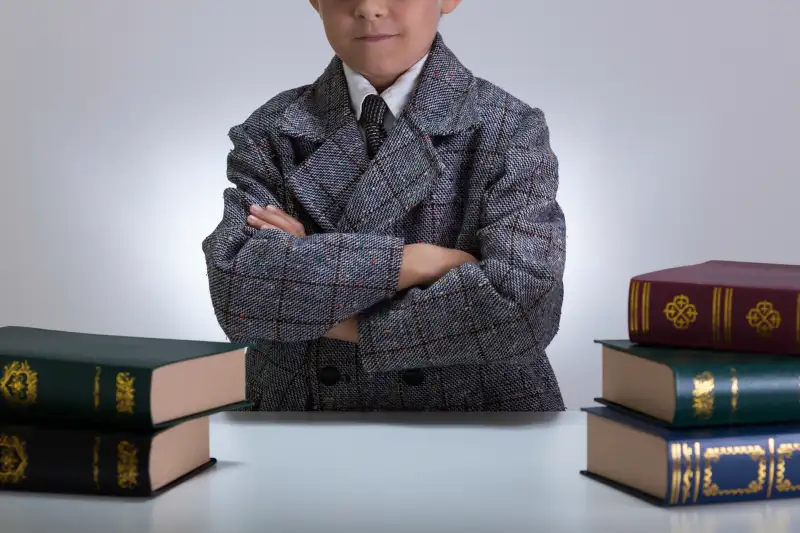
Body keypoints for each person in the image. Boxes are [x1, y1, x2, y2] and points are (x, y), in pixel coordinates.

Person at [202, 0, 567, 411]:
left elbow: (524, 307)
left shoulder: (509, 127)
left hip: (480, 417)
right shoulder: (271, 129)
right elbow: (238, 294)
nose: (369, 8)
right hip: (299, 418)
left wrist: (313, 290)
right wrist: (418, 262)